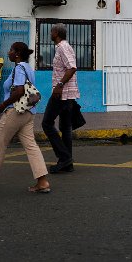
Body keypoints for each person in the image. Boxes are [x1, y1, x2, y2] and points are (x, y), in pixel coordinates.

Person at [0, 42, 50, 194]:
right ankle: (42, 181)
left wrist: (1, 106)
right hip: (29, 112)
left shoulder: (19, 68)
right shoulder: (27, 68)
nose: (9, 52)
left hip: (15, 111)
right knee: (31, 146)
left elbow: (19, 91)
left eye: (11, 50)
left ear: (18, 53)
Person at [42, 23, 79, 174]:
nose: (50, 33)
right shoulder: (63, 47)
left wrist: (59, 85)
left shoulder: (63, 47)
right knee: (65, 128)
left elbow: (72, 67)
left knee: (46, 123)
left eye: (51, 31)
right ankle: (67, 163)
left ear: (56, 32)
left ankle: (64, 158)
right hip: (67, 93)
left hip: (62, 93)